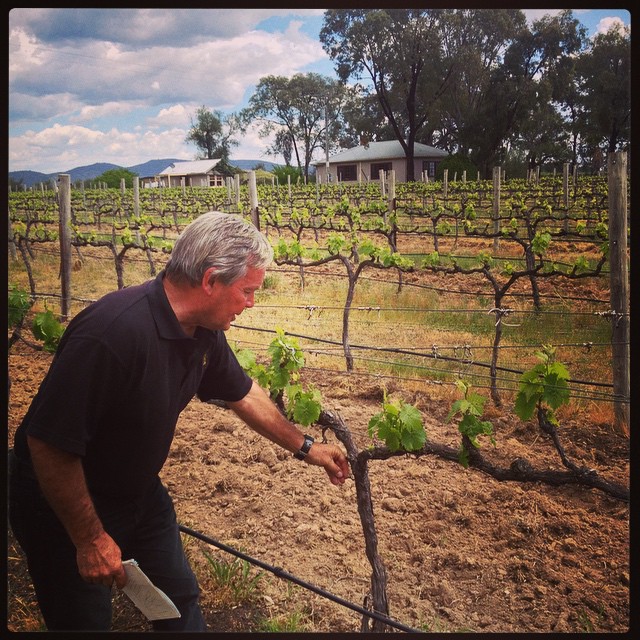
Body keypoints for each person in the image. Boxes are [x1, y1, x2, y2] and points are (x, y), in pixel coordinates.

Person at [8, 211, 350, 632]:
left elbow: (242, 392)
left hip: (137, 491)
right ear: (209, 281)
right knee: (85, 620)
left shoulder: (201, 330)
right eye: (247, 291)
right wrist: (90, 539)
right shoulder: (113, 334)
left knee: (178, 601)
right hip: (59, 502)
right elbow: (49, 445)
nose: (252, 304)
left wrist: (307, 447)